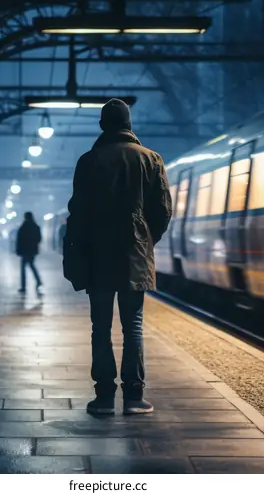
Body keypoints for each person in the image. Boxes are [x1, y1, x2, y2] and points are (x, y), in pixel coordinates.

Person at [63, 98, 172, 416]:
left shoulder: (88, 161)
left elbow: (77, 213)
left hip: (97, 256)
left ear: (102, 125)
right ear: (129, 124)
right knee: (133, 326)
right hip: (134, 256)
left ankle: (104, 397)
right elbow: (162, 210)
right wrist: (145, 239)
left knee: (100, 327)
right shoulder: (151, 159)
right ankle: (135, 396)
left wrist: (77, 252)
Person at [16, 211, 43, 296]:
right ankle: (38, 281)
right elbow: (39, 239)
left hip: (24, 251)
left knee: (23, 269)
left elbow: (19, 240)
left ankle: (24, 286)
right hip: (32, 250)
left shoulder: (23, 227)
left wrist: (18, 250)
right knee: (31, 265)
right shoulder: (36, 226)